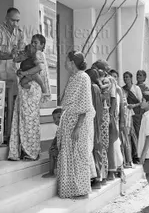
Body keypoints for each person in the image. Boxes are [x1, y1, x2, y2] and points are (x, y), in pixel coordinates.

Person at [57, 51, 96, 199]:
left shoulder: (83, 77)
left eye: (67, 61)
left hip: (77, 124)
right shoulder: (74, 77)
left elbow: (85, 104)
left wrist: (78, 127)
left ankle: (81, 190)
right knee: (69, 156)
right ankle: (70, 189)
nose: (65, 63)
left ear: (72, 62)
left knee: (79, 157)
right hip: (69, 122)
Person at [8, 34, 51, 161]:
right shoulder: (30, 54)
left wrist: (25, 74)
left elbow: (39, 69)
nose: (33, 44)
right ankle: (23, 150)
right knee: (23, 118)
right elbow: (16, 60)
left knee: (28, 120)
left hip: (32, 90)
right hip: (26, 89)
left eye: (36, 43)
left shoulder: (38, 54)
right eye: (32, 42)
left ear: (42, 45)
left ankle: (30, 151)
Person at [0, 7, 25, 141]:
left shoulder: (20, 33)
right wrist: (11, 55)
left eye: (17, 21)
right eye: (13, 20)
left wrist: (22, 56)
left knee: (11, 105)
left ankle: (10, 136)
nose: (15, 24)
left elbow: (22, 54)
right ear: (6, 18)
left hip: (12, 74)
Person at [110, 69, 132, 169]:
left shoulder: (118, 89)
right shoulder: (110, 88)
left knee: (123, 140)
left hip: (119, 118)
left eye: (115, 76)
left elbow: (122, 106)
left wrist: (122, 120)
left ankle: (128, 161)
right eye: (112, 76)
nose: (113, 78)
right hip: (114, 118)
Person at [122, 71, 143, 164]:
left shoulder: (136, 88)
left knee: (136, 134)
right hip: (127, 114)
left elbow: (141, 102)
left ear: (131, 78)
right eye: (124, 77)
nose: (126, 79)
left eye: (127, 77)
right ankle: (131, 155)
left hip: (136, 113)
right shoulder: (123, 89)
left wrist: (133, 105)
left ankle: (137, 155)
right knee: (128, 135)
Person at [42, 108, 62, 178]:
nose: (56, 120)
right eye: (54, 118)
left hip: (64, 149)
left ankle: (51, 172)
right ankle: (51, 172)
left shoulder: (65, 128)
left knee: (53, 152)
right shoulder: (59, 128)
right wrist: (52, 145)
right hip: (59, 148)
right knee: (51, 151)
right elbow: (56, 138)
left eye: (59, 117)